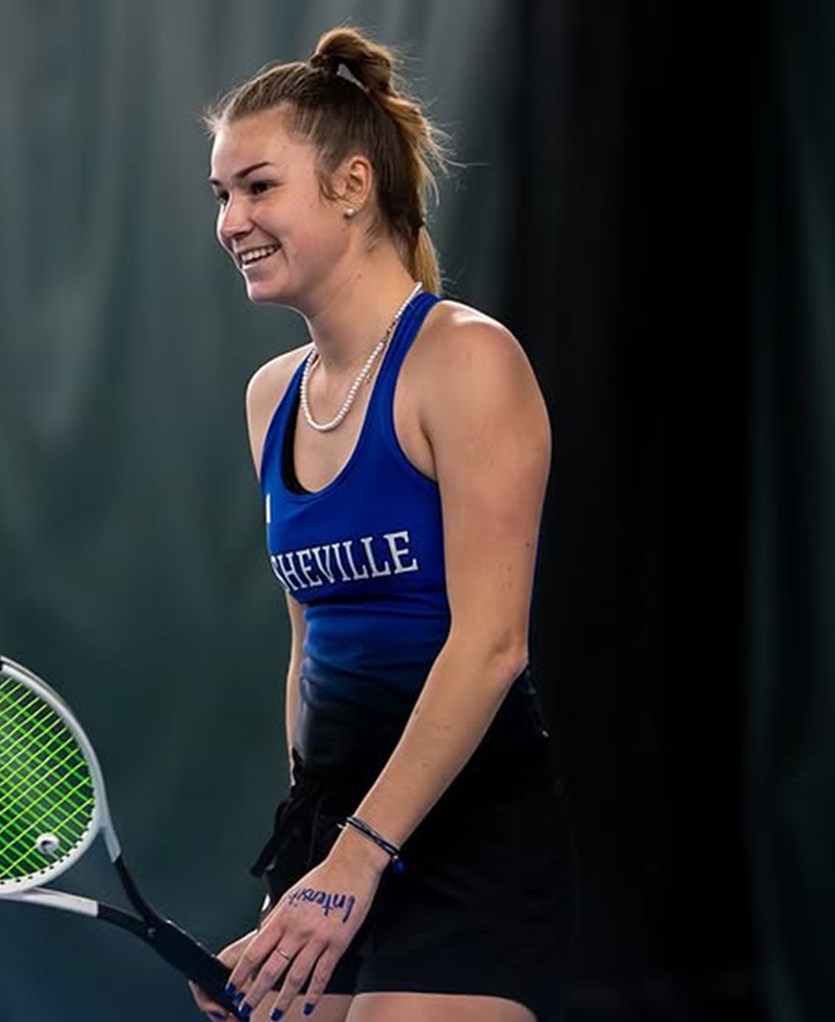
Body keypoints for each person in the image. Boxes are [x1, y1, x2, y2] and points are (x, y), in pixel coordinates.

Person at [191, 26, 578, 1022]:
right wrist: (294, 884)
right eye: (221, 194)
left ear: (351, 185)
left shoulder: (466, 360)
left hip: (470, 835)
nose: (231, 220)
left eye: (258, 187)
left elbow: (490, 645)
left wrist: (357, 858)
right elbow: (309, 648)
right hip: (335, 839)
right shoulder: (271, 397)